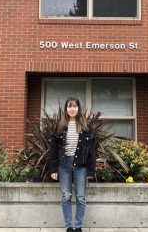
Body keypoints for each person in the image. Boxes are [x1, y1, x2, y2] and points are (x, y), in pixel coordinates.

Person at [49, 97, 97, 232]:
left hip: (80, 166)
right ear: (66, 109)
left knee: (80, 197)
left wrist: (91, 171)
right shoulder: (60, 126)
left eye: (74, 106)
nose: (72, 109)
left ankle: (79, 226)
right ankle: (69, 226)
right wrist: (53, 169)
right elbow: (53, 149)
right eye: (69, 106)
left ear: (78, 108)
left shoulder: (86, 127)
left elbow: (92, 151)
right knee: (66, 196)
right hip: (63, 165)